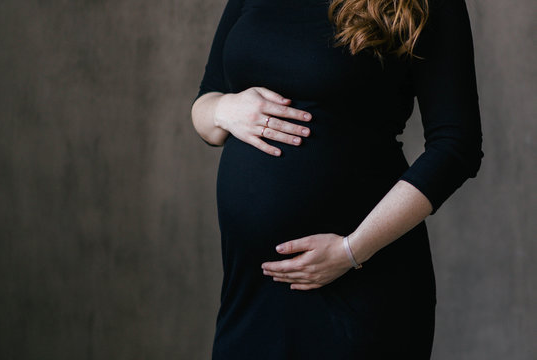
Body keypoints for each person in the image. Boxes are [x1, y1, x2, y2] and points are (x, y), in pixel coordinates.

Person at [190, 0, 484, 358]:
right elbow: (207, 101)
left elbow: (457, 145)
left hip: (359, 281)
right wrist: (223, 109)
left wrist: (351, 250)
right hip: (251, 288)